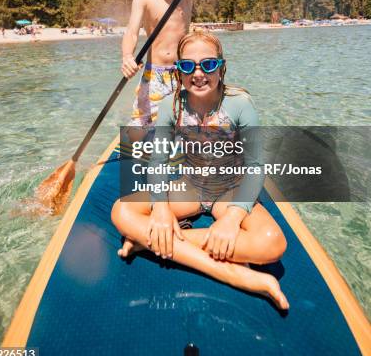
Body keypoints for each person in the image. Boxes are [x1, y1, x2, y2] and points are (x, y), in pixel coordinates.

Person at [112, 30, 289, 310]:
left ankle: (147, 243)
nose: (198, 73)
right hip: (191, 187)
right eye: (187, 65)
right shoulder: (172, 105)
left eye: (208, 64)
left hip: (230, 190)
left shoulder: (240, 104)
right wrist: (159, 209)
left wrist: (232, 219)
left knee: (272, 243)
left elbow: (256, 167)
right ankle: (233, 274)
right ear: (178, 71)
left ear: (221, 67)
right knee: (122, 210)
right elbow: (157, 162)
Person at [122, 0, 217, 128]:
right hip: (153, 74)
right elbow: (131, 32)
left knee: (184, 122)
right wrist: (127, 56)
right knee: (143, 123)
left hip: (182, 72)